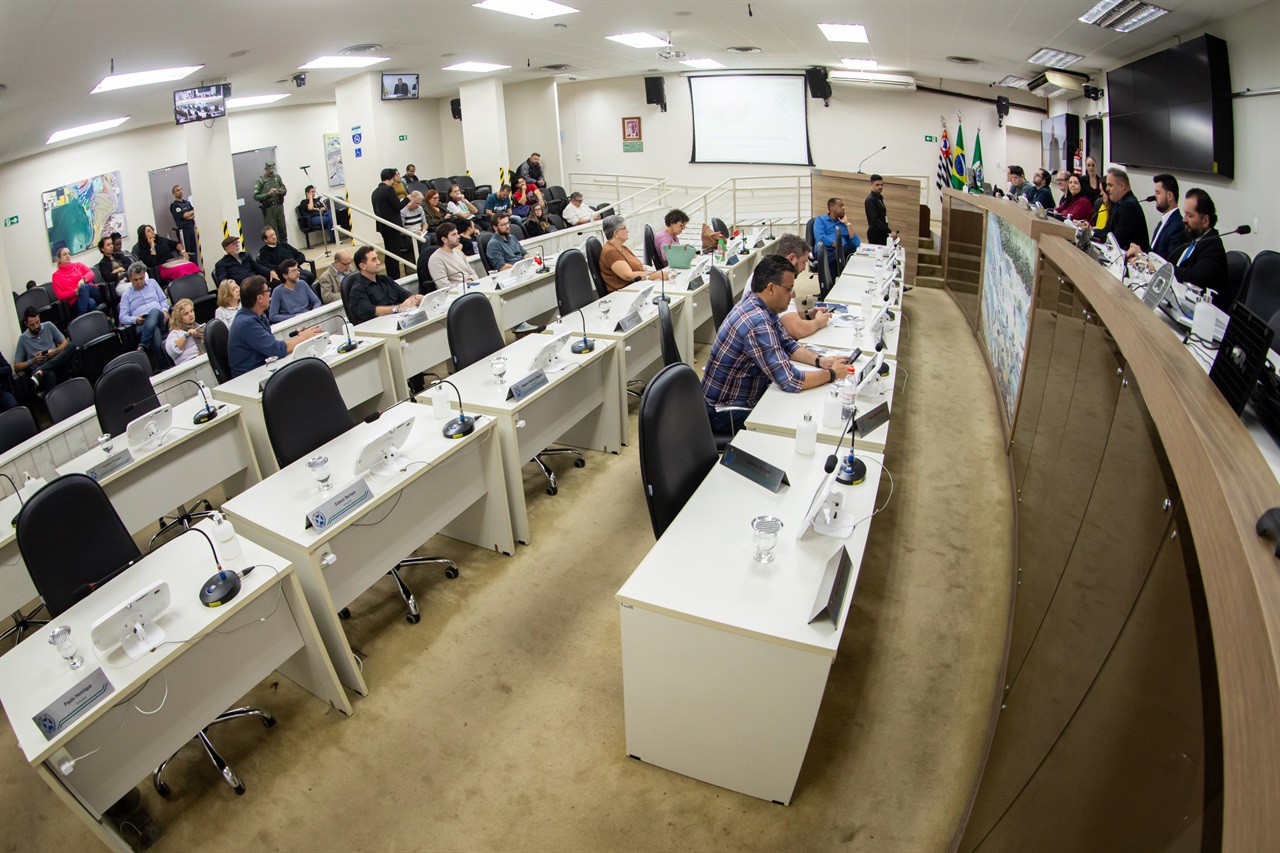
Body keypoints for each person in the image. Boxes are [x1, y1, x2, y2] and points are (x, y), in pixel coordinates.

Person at [701, 255, 852, 435]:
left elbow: (787, 344)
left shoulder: (758, 304)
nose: (793, 295)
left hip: (740, 397)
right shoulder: (757, 323)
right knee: (796, 419)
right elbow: (791, 380)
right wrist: (832, 374)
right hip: (725, 411)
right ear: (771, 288)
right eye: (788, 289)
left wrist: (821, 361)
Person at [227, 276, 322, 377]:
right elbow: (276, 350)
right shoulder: (247, 323)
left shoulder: (258, 315)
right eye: (267, 290)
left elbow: (273, 345)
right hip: (250, 377)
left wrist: (301, 337)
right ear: (259, 297)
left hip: (262, 369)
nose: (269, 294)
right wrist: (303, 337)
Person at [1170, 188, 1230, 307]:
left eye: (1190, 215)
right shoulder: (1190, 237)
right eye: (1185, 214)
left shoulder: (1213, 245)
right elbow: (1170, 260)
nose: (1184, 219)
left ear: (1205, 221)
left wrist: (1166, 269)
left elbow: (1194, 278)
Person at [774, 234, 832, 339]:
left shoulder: (779, 271)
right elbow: (797, 330)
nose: (804, 268)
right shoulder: (778, 280)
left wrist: (809, 314)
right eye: (803, 262)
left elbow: (783, 316)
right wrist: (818, 322)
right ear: (792, 258)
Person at [347, 245, 422, 324]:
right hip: (378, 327)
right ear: (363, 266)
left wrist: (415, 299)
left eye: (377, 258)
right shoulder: (357, 289)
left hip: (397, 321)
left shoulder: (385, 280)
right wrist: (397, 308)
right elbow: (370, 311)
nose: (379, 262)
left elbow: (405, 294)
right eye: (374, 260)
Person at [599, 215, 671, 292]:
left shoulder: (622, 248)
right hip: (625, 292)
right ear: (616, 233)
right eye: (624, 228)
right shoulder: (610, 252)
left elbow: (639, 266)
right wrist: (659, 275)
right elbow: (628, 275)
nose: (627, 231)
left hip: (637, 286)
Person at [118, 262, 170, 361]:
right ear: (130, 278)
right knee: (155, 331)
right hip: (142, 325)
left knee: (154, 311)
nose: (139, 282)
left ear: (144, 275)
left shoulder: (152, 283)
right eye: (136, 280)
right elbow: (122, 317)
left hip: (160, 319)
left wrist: (164, 310)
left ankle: (143, 344)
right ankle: (164, 365)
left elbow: (163, 300)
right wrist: (135, 320)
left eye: (141, 278)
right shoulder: (126, 295)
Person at [14, 307, 74, 391]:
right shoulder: (23, 339)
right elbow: (16, 366)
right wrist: (32, 361)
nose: (36, 326)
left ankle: (41, 370)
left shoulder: (48, 325)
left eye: (37, 322)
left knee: (71, 345)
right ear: (26, 324)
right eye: (32, 325)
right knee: (49, 374)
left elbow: (64, 342)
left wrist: (54, 351)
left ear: (39, 317)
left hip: (55, 360)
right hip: (39, 366)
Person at [1129, 173, 1185, 262]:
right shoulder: (1162, 222)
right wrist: (1139, 255)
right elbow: (1152, 253)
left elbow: (1167, 263)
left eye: (1158, 193)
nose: (1155, 197)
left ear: (1169, 196)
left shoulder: (1178, 225)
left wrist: (1142, 257)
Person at [1095, 167, 1149, 254]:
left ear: (1122, 186)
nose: (1107, 189)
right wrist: (1090, 231)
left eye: (1110, 185)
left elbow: (1116, 241)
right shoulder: (1118, 203)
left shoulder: (1129, 206)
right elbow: (1107, 230)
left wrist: (1093, 234)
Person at [372, 168, 410, 280]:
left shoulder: (375, 191)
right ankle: (395, 277)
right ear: (392, 177)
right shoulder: (389, 189)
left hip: (383, 226)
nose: (398, 177)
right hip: (392, 226)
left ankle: (391, 276)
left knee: (389, 252)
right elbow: (397, 206)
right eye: (397, 175)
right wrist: (407, 199)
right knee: (394, 253)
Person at [813, 197, 861, 279]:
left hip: (842, 253)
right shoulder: (820, 220)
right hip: (825, 250)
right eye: (840, 206)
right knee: (836, 262)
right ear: (832, 208)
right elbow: (820, 236)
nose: (844, 208)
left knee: (851, 248)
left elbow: (857, 243)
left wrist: (847, 223)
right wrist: (838, 245)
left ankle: (822, 263)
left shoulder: (843, 224)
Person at [134, 224, 199, 281]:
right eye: (148, 231)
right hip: (162, 268)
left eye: (152, 229)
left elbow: (176, 244)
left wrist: (183, 252)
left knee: (190, 265)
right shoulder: (142, 249)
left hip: (172, 262)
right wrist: (152, 245)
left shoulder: (160, 240)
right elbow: (152, 262)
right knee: (180, 270)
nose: (152, 231)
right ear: (143, 235)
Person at [428, 221, 478, 290]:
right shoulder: (436, 259)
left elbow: (473, 273)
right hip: (456, 295)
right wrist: (464, 285)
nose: (458, 236)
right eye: (454, 234)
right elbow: (444, 287)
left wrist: (470, 280)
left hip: (471, 288)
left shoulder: (459, 253)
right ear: (444, 239)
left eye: (457, 233)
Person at [268, 259, 322, 323]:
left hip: (308, 318)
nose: (298, 273)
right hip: (291, 322)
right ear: (285, 275)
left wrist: (312, 312)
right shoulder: (277, 291)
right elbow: (273, 316)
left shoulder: (302, 284)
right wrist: (295, 316)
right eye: (293, 271)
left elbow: (316, 301)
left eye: (297, 270)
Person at [51, 246, 100, 315]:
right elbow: (60, 295)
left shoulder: (78, 265)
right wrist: (74, 292)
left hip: (92, 292)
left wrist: (83, 279)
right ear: (59, 259)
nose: (67, 256)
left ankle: (81, 316)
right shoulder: (56, 276)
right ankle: (101, 319)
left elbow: (91, 273)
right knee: (91, 303)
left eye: (69, 253)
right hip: (76, 300)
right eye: (65, 254)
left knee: (83, 287)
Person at [253, 161, 288, 243]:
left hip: (279, 206)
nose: (272, 172)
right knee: (272, 232)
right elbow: (256, 196)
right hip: (269, 209)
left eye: (273, 170)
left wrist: (281, 191)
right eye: (270, 170)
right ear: (266, 169)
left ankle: (285, 249)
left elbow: (284, 189)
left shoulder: (277, 178)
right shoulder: (261, 180)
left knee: (282, 229)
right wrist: (267, 194)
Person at [163, 298, 204, 366]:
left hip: (205, 358)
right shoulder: (175, 333)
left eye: (191, 311)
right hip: (189, 365)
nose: (191, 315)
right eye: (186, 314)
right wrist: (186, 335)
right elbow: (172, 351)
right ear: (179, 318)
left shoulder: (199, 327)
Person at [864, 175, 897, 246]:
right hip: (875, 233)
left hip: (882, 232)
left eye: (882, 185)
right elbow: (875, 219)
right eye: (877, 185)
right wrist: (890, 231)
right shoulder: (871, 199)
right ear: (871, 184)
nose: (880, 187)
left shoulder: (879, 198)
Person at [170, 184, 198, 264]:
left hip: (191, 228)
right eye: (178, 190)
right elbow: (184, 216)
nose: (180, 191)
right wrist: (188, 215)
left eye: (181, 189)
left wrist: (189, 215)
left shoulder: (187, 202)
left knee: (194, 251)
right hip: (183, 231)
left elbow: (193, 213)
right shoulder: (175, 206)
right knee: (187, 251)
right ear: (174, 193)